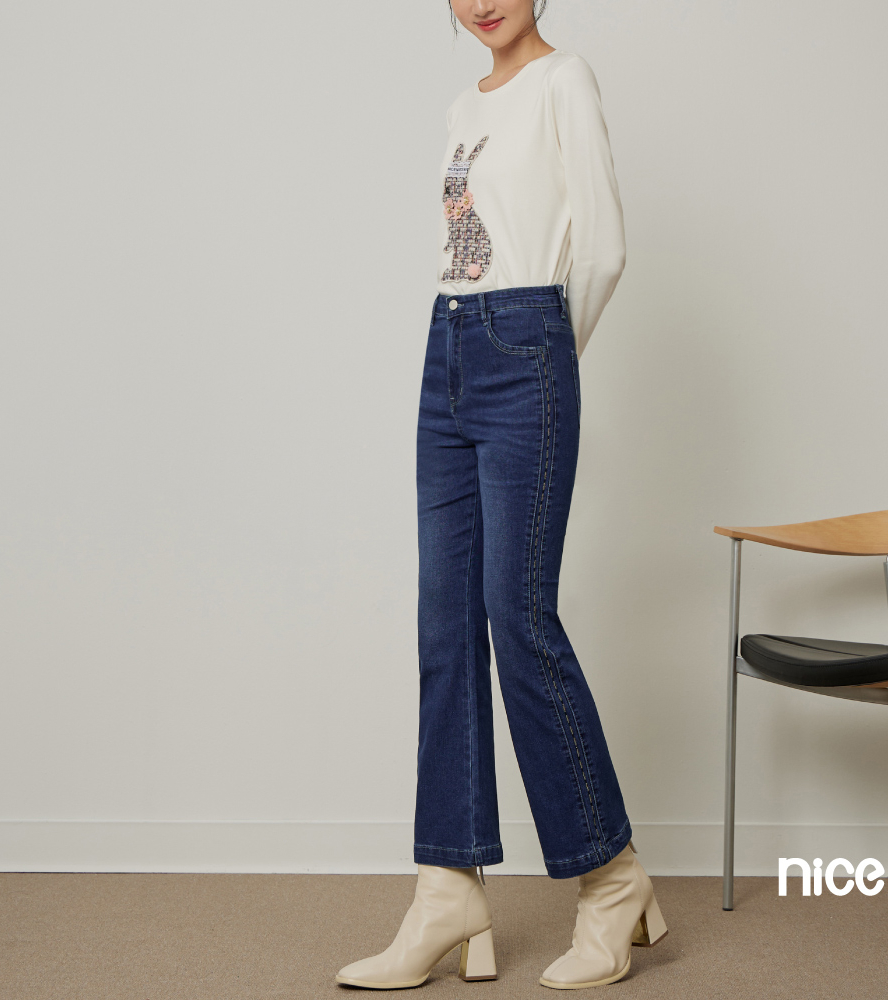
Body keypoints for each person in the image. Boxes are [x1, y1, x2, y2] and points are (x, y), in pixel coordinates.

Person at [336, 1, 667, 990]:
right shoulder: (461, 106)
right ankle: (448, 886)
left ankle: (612, 879)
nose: (481, 0)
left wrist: (544, 360)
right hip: (445, 345)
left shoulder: (564, 80)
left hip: (525, 345)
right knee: (444, 625)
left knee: (517, 618)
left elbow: (602, 248)